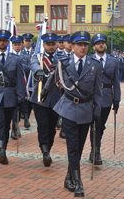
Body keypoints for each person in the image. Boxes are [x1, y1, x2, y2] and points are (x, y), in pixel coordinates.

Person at [53, 31, 102, 197]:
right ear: (72, 46)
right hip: (68, 108)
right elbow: (53, 82)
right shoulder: (64, 63)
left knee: (79, 147)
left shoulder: (95, 64)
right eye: (79, 44)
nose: (83, 47)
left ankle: (68, 177)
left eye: (85, 44)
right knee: (72, 147)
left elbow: (97, 91)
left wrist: (97, 111)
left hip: (86, 109)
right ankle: (78, 182)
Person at [0, 30, 26, 165]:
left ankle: (4, 148)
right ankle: (1, 150)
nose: (2, 43)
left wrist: (21, 95)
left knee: (7, 124)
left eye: (4, 40)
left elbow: (20, 79)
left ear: (8, 42)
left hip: (10, 94)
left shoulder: (15, 59)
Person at [29, 32, 61, 167]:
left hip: (56, 98)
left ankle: (48, 146)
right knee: (43, 125)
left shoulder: (61, 58)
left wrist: (60, 68)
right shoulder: (38, 57)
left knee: (52, 128)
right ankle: (45, 151)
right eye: (48, 44)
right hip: (40, 97)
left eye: (53, 44)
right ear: (44, 45)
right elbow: (33, 65)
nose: (51, 47)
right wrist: (38, 71)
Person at [89, 33, 121, 165]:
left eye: (102, 42)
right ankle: (95, 151)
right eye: (97, 43)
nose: (100, 44)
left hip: (107, 96)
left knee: (101, 126)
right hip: (91, 97)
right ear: (94, 46)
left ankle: (95, 149)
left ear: (106, 45)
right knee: (94, 125)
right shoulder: (89, 60)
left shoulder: (114, 61)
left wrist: (117, 99)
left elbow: (116, 81)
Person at [9, 35, 31, 140]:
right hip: (12, 85)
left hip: (22, 84)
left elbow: (29, 68)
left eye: (18, 45)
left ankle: (16, 124)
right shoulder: (9, 56)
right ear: (12, 46)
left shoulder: (25, 57)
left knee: (20, 107)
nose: (17, 47)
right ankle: (14, 128)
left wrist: (19, 65)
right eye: (15, 45)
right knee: (13, 108)